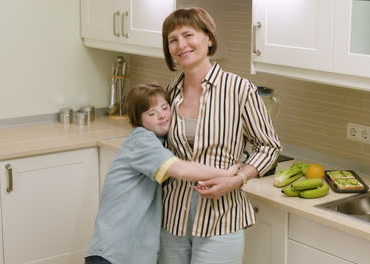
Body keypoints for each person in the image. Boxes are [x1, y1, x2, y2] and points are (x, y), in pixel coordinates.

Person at [159, 7, 282, 264]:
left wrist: (237, 179)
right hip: (172, 216)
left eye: (188, 35)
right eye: (173, 39)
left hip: (221, 216)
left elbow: (268, 146)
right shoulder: (170, 91)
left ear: (209, 38)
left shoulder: (239, 89)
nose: (181, 45)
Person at [85, 83, 240, 264]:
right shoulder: (142, 140)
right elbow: (182, 169)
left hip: (123, 253)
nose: (161, 115)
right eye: (151, 113)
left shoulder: (157, 143)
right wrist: (227, 174)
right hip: (112, 255)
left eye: (165, 108)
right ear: (138, 120)